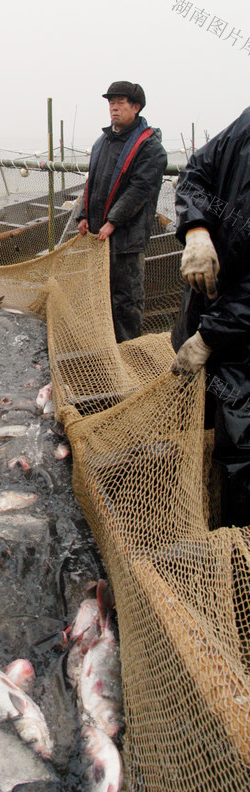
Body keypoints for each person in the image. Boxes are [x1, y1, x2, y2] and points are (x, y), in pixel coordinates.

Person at [171, 106, 250, 527]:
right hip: (205, 305)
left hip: (242, 337)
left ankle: (234, 553)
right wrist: (196, 229)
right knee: (197, 409)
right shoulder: (246, 124)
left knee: (240, 448)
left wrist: (210, 337)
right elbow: (195, 173)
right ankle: (194, 511)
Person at [75, 81, 167, 342]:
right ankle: (104, 344)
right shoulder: (102, 142)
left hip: (128, 239)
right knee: (99, 294)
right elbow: (91, 182)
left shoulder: (150, 148)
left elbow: (141, 189)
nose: (114, 108)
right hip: (98, 237)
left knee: (126, 300)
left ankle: (128, 352)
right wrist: (83, 214)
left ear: (136, 107)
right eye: (111, 102)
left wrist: (113, 221)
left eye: (120, 102)